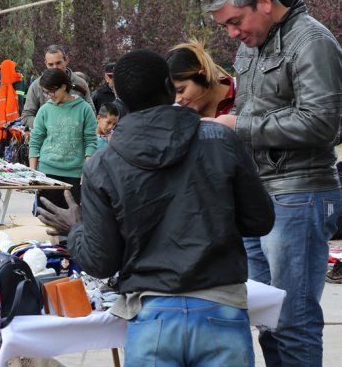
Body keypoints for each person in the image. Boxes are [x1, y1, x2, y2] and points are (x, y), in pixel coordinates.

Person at [39, 49, 274, 366]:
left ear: (119, 96)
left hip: (154, 316)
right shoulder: (220, 138)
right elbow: (259, 219)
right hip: (219, 310)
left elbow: (99, 262)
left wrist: (75, 227)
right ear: (169, 86)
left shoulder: (104, 165)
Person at [205, 0, 342, 367]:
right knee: (266, 318)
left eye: (235, 21)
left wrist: (238, 125)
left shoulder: (313, 42)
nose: (232, 33)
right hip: (257, 195)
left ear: (263, 2)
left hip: (300, 196)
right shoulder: (250, 44)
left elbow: (323, 124)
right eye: (225, 26)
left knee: (293, 319)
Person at [29, 68, 96, 210]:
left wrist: (86, 170)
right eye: (46, 92)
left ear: (64, 87)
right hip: (46, 174)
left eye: (52, 91)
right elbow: (35, 142)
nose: (49, 96)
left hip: (75, 175)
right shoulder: (45, 110)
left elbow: (91, 141)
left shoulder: (84, 109)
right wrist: (33, 174)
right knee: (45, 223)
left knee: (73, 224)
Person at [21, 45, 94, 129]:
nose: (55, 68)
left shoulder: (80, 83)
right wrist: (47, 126)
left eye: (58, 63)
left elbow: (91, 113)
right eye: (50, 64)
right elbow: (27, 116)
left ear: (66, 60)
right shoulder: (36, 86)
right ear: (46, 64)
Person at [167, 39, 235, 117]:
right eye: (172, 94)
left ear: (203, 73)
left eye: (181, 90)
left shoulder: (246, 93)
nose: (177, 100)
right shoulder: (177, 118)